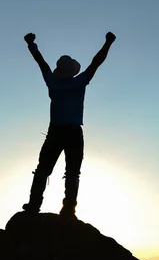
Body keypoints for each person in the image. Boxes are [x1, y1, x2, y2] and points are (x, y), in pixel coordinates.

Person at [22, 31, 116, 218]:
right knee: (72, 172)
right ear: (72, 71)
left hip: (55, 131)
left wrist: (31, 44)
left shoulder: (52, 83)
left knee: (43, 169)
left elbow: (41, 63)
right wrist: (108, 43)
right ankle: (69, 209)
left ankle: (34, 204)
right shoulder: (79, 82)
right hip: (73, 131)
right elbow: (96, 62)